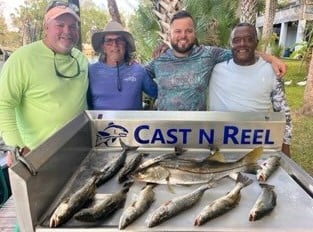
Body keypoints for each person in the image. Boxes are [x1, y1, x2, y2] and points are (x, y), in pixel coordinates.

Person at [0, 1, 88, 166]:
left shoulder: (81, 59)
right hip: (36, 156)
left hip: (79, 150)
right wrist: (17, 148)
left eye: (73, 26)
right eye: (60, 25)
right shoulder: (22, 59)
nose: (67, 31)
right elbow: (3, 104)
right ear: (46, 27)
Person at [146, 10, 286, 111]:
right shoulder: (160, 59)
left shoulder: (209, 54)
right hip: (165, 128)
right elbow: (140, 75)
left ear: (194, 33)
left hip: (197, 129)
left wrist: (271, 58)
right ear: (169, 33)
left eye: (188, 31)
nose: (183, 35)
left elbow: (241, 51)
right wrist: (157, 92)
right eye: (177, 31)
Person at [208, 23, 292, 157]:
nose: (242, 44)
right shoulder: (215, 69)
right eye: (236, 40)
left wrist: (286, 154)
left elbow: (283, 115)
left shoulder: (271, 71)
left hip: (255, 148)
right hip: (218, 147)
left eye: (248, 39)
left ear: (256, 42)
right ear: (230, 44)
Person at [88, 21, 157, 110]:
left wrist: (167, 54)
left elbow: (160, 93)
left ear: (126, 45)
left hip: (133, 124)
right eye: (109, 41)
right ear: (103, 47)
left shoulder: (138, 70)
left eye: (119, 40)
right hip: (100, 124)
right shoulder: (91, 71)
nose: (115, 45)